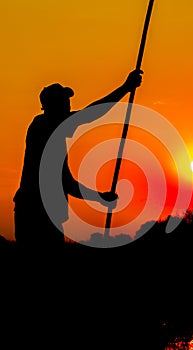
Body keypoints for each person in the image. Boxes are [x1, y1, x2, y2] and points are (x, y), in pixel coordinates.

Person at [13, 69, 143, 248]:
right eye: (64, 101)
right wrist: (125, 88)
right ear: (52, 106)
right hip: (36, 213)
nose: (68, 104)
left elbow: (68, 183)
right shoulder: (43, 127)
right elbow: (90, 114)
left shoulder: (52, 134)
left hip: (42, 213)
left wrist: (99, 198)